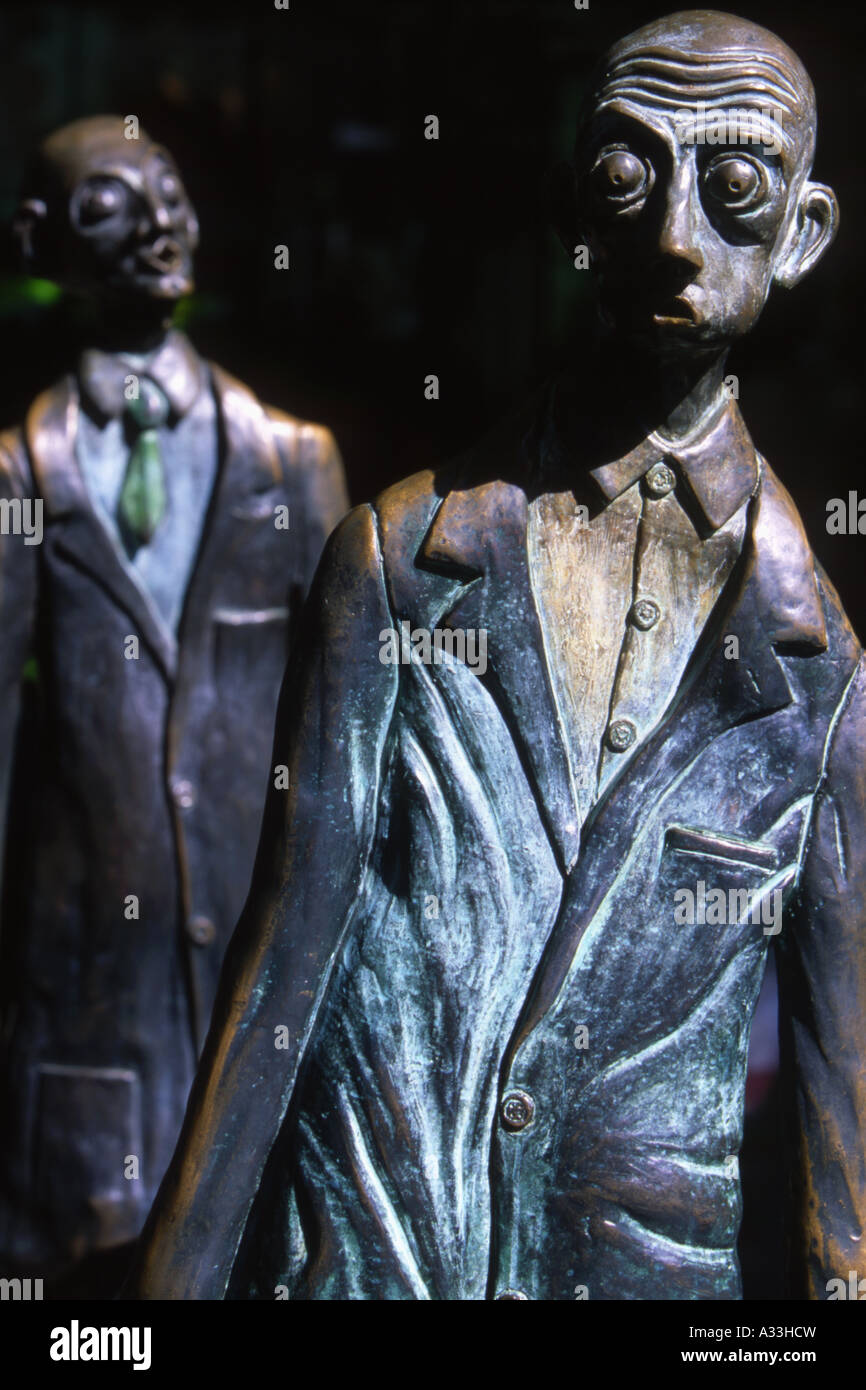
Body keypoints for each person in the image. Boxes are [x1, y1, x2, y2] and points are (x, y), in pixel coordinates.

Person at [132, 13, 864, 1301]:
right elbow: (285, 965)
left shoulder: (816, 669)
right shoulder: (399, 559)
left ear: (799, 234)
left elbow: (839, 1107)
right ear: (570, 202)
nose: (674, 237)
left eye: (732, 187)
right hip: (376, 1259)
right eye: (627, 180)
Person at [0, 114, 348, 1294]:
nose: (157, 221)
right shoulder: (16, 476)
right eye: (110, 200)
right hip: (87, 1021)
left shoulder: (292, 465)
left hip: (257, 1016)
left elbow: (340, 752)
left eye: (171, 194)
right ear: (38, 238)